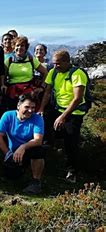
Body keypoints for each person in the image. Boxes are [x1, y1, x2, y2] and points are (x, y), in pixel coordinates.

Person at [39, 50, 88, 183]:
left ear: (67, 62)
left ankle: (72, 172)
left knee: (71, 141)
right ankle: (44, 160)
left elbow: (77, 98)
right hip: (57, 109)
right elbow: (48, 92)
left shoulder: (77, 74)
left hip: (74, 112)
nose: (55, 66)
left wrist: (63, 117)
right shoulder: (53, 72)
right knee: (43, 129)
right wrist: (41, 109)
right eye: (54, 64)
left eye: (59, 64)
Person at [0, 94, 45, 194]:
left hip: (28, 150)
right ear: (19, 106)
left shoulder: (37, 118)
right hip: (13, 152)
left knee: (39, 150)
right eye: (27, 107)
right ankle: (22, 171)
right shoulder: (8, 115)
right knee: (12, 175)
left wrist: (23, 147)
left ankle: (36, 181)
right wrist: (8, 153)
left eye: (33, 108)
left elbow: (38, 140)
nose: (30, 110)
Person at [5, 36, 47, 109]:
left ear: (26, 48)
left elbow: (45, 73)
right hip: (13, 93)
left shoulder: (31, 60)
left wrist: (42, 87)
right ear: (14, 47)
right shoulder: (9, 60)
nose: (19, 48)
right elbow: (2, 75)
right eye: (17, 45)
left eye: (22, 46)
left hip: (28, 92)